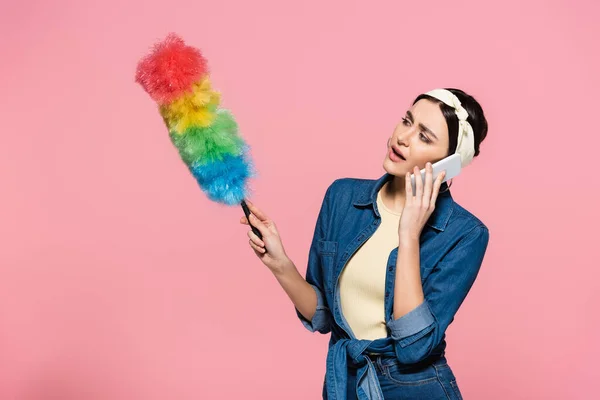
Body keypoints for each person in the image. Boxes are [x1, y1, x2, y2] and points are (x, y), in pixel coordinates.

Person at [240, 88, 490, 399]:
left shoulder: (466, 234)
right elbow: (323, 315)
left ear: (448, 164)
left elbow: (414, 347)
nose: (403, 137)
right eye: (406, 121)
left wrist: (409, 233)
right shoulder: (342, 198)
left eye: (424, 137)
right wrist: (279, 263)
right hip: (345, 383)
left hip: (415, 388)